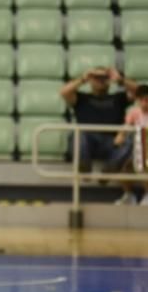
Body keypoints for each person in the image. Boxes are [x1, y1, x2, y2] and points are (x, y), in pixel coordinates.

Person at [59, 66, 138, 203]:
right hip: (87, 141)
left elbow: (139, 91)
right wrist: (84, 78)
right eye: (97, 78)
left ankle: (109, 171)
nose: (101, 81)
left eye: (104, 78)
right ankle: (84, 167)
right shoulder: (82, 98)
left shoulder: (118, 98)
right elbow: (64, 92)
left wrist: (120, 80)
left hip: (112, 142)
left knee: (129, 141)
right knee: (79, 134)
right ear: (90, 80)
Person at [115, 84, 148, 206]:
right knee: (124, 165)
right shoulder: (133, 112)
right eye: (141, 100)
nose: (144, 103)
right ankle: (128, 195)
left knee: (145, 163)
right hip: (135, 146)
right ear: (137, 100)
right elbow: (126, 127)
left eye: (146, 100)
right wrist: (120, 135)